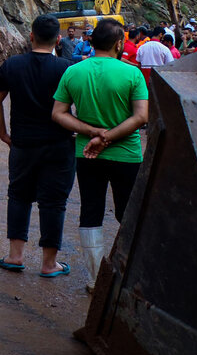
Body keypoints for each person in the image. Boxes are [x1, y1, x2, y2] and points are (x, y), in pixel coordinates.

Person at [50, 18, 149, 291]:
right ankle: (129, 275)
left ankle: (95, 280)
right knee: (128, 213)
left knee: (90, 211)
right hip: (127, 154)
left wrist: (94, 132)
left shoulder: (73, 72)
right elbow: (141, 117)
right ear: (119, 44)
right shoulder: (132, 74)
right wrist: (109, 136)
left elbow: (58, 114)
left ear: (91, 42)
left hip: (87, 153)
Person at [0, 15, 75, 277]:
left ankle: (15, 256)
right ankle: (49, 264)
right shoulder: (67, 68)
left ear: (31, 36)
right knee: (54, 202)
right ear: (58, 40)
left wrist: (3, 133)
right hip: (59, 144)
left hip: (23, 143)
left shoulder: (12, 65)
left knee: (19, 196)